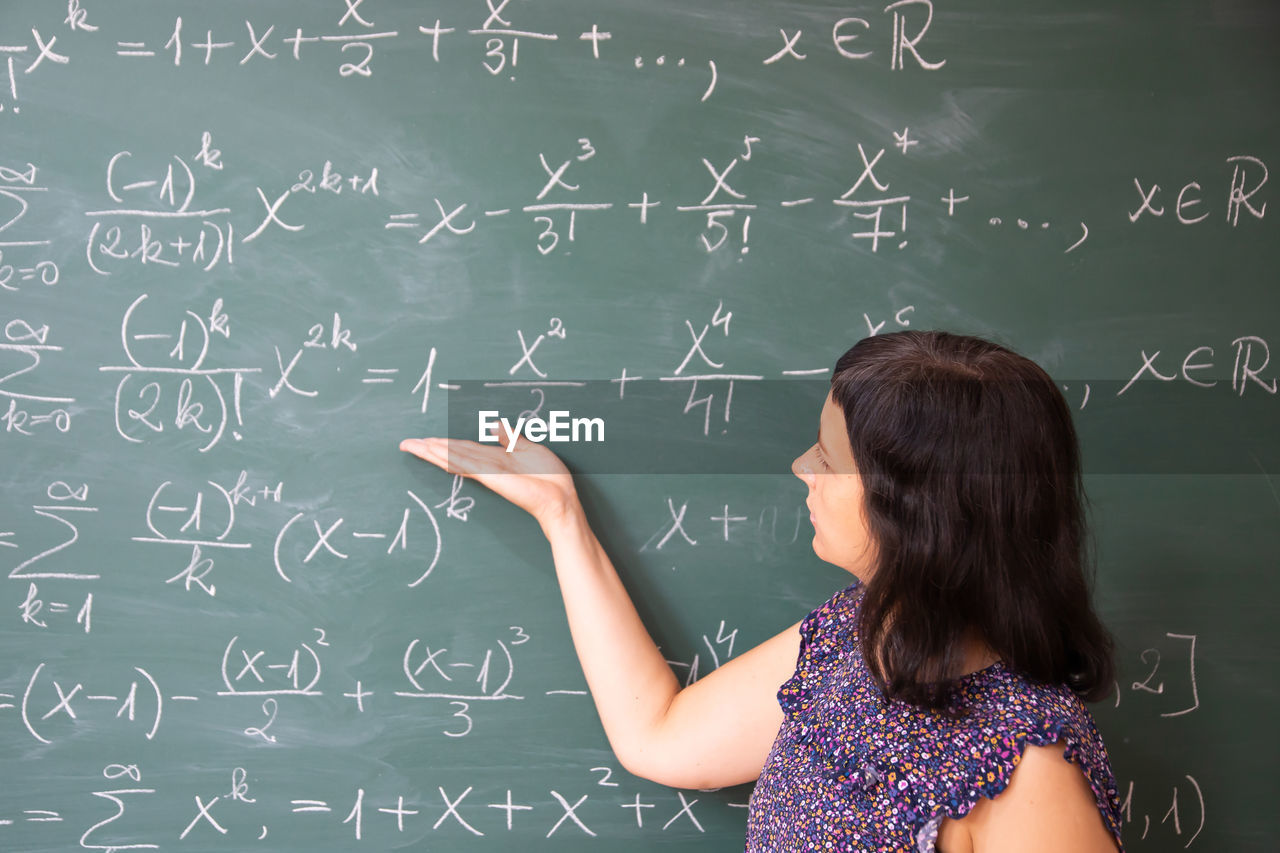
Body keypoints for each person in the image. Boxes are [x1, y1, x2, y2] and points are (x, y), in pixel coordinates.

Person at [400, 330, 1125, 852]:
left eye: (829, 457)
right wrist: (561, 516)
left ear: (916, 512)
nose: (801, 467)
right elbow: (661, 735)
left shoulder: (1027, 769)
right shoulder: (860, 638)